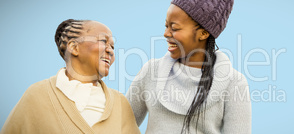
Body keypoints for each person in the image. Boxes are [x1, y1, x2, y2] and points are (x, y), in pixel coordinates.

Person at [126, 0, 251, 133]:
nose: (166, 33)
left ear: (203, 33)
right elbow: (120, 125)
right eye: (166, 26)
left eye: (174, 28)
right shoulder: (150, 71)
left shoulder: (235, 83)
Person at [1, 19, 140, 134]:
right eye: (103, 41)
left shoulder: (120, 103)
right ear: (74, 47)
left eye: (113, 47)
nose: (110, 50)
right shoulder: (37, 95)